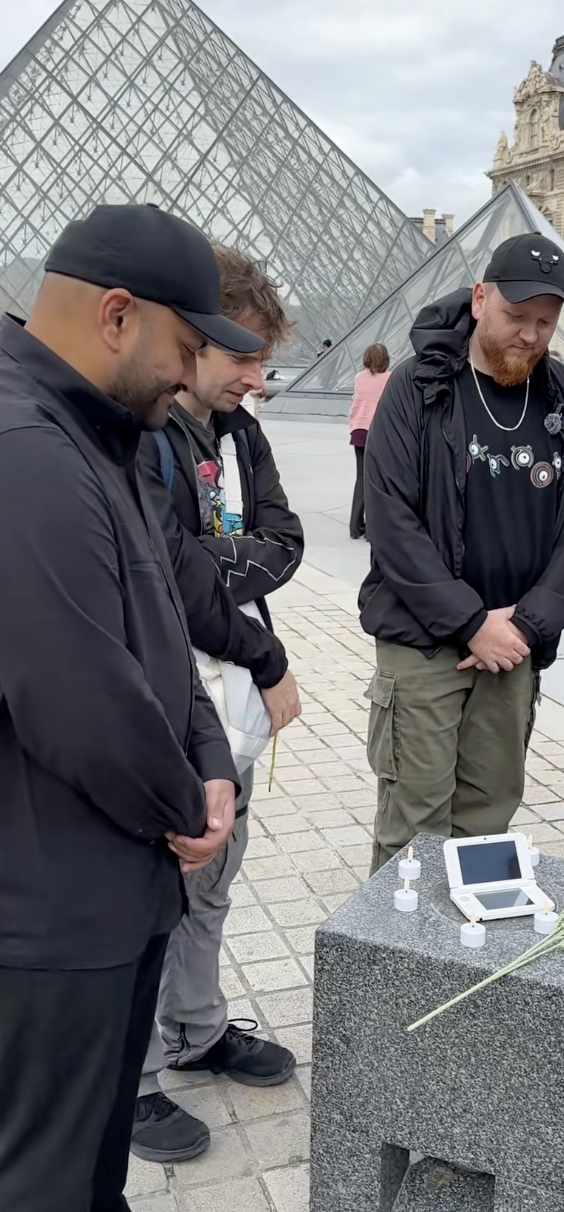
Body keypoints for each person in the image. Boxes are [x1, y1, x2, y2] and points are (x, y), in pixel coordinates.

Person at [0, 203, 255, 1212]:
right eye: (185, 348)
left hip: (108, 890)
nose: (190, 377)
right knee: (48, 1185)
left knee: (90, 1179)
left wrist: (211, 757)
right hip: (51, 922)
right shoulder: (27, 451)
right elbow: (83, 702)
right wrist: (189, 806)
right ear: (116, 317)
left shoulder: (98, 436)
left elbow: (161, 622)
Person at [360, 233, 564, 871]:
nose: (529, 335)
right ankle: (402, 942)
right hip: (423, 640)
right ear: (479, 299)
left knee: (488, 820)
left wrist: (526, 626)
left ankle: (469, 937)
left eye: (545, 322)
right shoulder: (418, 386)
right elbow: (391, 519)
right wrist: (470, 622)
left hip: (514, 646)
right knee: (414, 828)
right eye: (516, 315)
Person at [134, 248, 303, 1163]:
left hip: (230, 697)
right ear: (193, 340)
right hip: (171, 693)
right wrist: (257, 634)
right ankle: (129, 1080)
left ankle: (195, 1030)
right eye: (245, 357)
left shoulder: (240, 433)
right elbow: (165, 574)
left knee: (216, 877)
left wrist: (211, 572)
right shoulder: (146, 434)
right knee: (156, 888)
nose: (258, 380)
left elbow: (287, 539)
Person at [349, 342, 390, 540]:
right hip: (378, 432)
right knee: (378, 480)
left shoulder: (359, 378)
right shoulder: (389, 378)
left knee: (361, 478)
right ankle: (373, 528)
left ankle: (355, 526)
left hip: (358, 430)